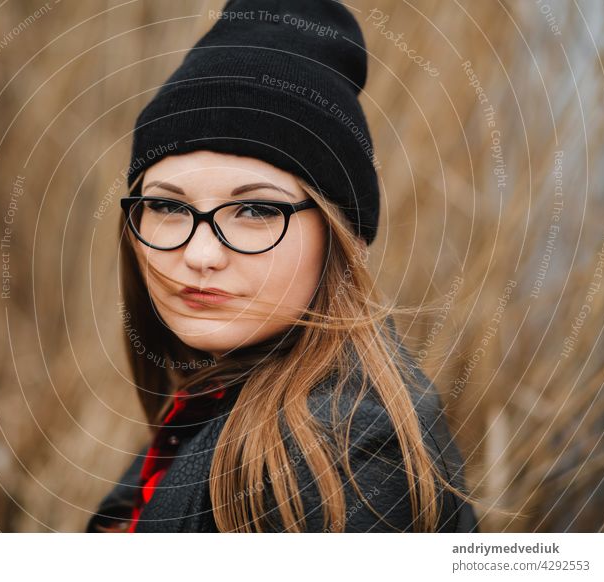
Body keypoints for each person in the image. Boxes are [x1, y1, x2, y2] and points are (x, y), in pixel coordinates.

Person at [86, 0, 480, 533]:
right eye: (168, 206)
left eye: (256, 210)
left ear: (343, 240)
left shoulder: (348, 455)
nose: (200, 255)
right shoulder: (214, 398)